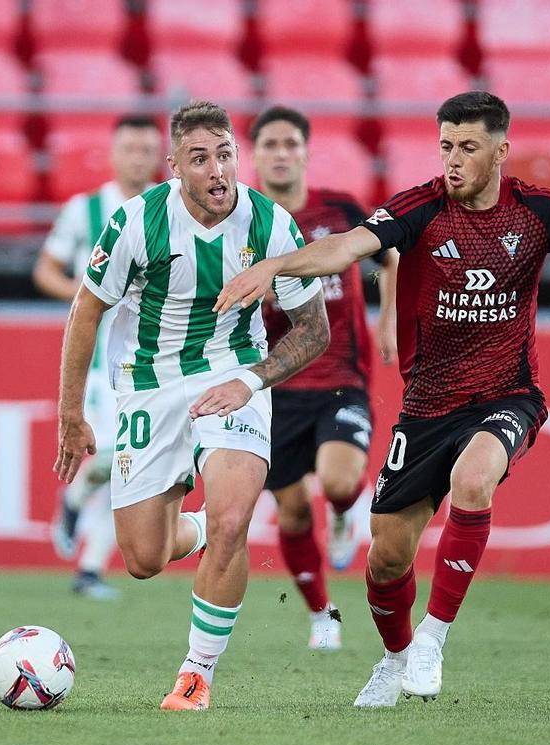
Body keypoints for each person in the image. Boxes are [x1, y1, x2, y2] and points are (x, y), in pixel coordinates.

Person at [214, 91, 550, 707]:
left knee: (474, 480)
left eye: (468, 147)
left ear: (501, 151)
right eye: (446, 145)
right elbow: (346, 247)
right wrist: (278, 267)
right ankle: (395, 659)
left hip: (508, 394)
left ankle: (432, 637)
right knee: (385, 565)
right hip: (425, 407)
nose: (453, 159)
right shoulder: (419, 208)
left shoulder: (538, 210)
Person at [54, 101, 330, 711]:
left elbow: (314, 332)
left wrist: (253, 380)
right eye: (199, 159)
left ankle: (195, 675)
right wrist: (71, 414)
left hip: (232, 379)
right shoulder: (135, 221)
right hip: (147, 388)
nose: (216, 170)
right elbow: (86, 311)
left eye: (225, 155)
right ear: (175, 166)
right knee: (144, 559)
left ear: (238, 156)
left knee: (235, 522)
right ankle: (201, 527)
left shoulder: (272, 226)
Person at [248, 106, 399, 651]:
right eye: (270, 144)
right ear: (256, 154)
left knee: (339, 482)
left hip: (341, 378)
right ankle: (321, 615)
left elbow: (391, 254)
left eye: (291, 142)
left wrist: (389, 317)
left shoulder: (339, 209)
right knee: (289, 511)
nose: (281, 152)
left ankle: (340, 515)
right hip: (274, 387)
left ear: (306, 152)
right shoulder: (244, 220)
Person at [33, 116, 163, 600]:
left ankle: (88, 568)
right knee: (113, 456)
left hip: (156, 355)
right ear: (113, 153)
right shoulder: (85, 210)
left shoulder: (170, 206)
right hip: (102, 361)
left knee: (134, 466)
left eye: (147, 149)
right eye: (130, 148)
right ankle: (73, 497)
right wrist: (85, 296)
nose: (138, 157)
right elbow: (45, 269)